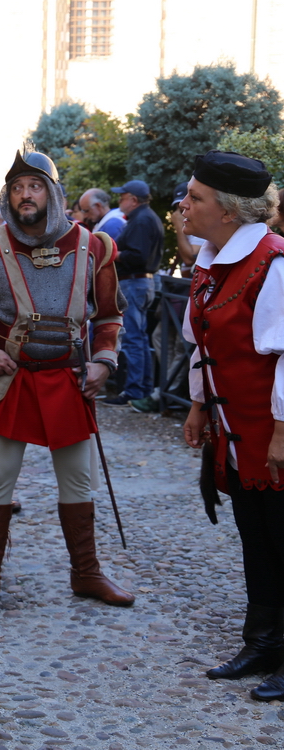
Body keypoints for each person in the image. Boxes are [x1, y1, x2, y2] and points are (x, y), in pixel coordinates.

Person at [0, 149, 134, 614]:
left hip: (70, 382)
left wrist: (103, 361)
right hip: (10, 383)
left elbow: (109, 315)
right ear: (9, 196)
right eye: (19, 187)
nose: (27, 195)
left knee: (78, 484)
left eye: (35, 186)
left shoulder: (94, 246)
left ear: (53, 193)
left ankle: (86, 573)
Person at [180, 150, 284, 702]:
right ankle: (263, 642)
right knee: (256, 535)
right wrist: (199, 404)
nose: (185, 205)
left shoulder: (273, 262)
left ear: (228, 212)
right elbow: (204, 342)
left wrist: (283, 433)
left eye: (195, 198)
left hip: (273, 428)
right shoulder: (212, 259)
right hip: (234, 428)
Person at [103, 179, 164, 408]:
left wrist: (113, 253)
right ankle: (141, 389)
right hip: (142, 284)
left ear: (134, 200)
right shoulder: (148, 218)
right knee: (139, 338)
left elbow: (137, 256)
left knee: (134, 339)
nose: (120, 202)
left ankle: (135, 391)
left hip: (134, 284)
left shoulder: (141, 220)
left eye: (122, 197)